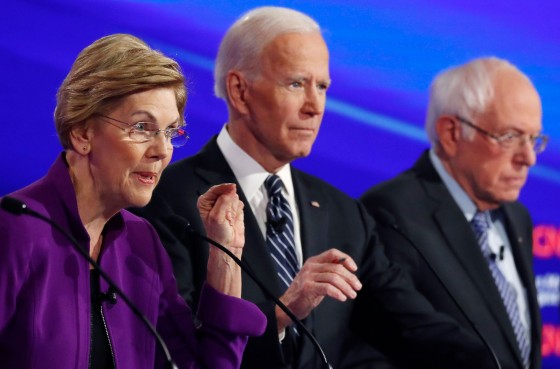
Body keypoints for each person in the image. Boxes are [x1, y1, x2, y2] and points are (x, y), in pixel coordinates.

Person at [132, 7, 499, 369]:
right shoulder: (168, 202)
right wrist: (281, 312)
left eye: (321, 86)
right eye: (296, 83)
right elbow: (172, 350)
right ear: (240, 91)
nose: (315, 106)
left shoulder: (345, 213)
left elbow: (411, 327)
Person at [0, 33, 266, 369]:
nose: (162, 151)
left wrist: (226, 254)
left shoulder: (142, 244)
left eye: (171, 131)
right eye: (142, 127)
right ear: (83, 133)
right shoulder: (15, 230)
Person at [360, 57, 544, 369]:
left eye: (533, 139)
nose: (528, 158)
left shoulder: (516, 215)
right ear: (452, 133)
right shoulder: (392, 212)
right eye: (510, 137)